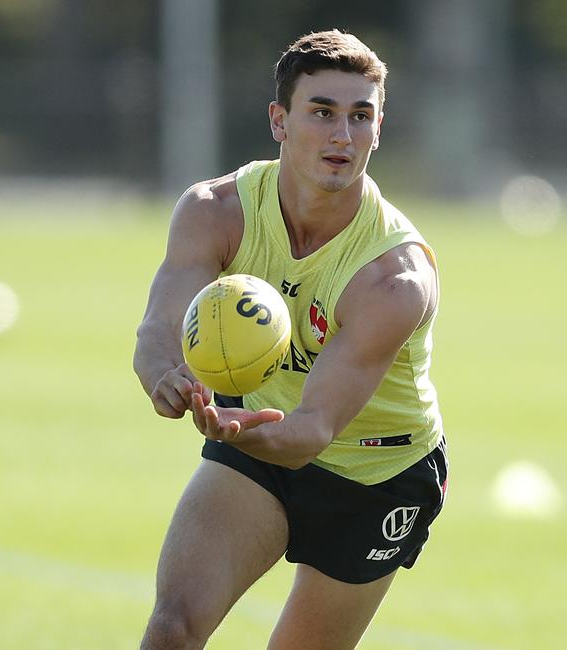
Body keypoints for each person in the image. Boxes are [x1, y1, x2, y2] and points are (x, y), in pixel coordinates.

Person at [134, 29, 448, 650]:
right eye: (322, 113)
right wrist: (165, 377)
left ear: (378, 128)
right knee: (171, 630)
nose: (342, 135)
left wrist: (232, 427)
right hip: (257, 440)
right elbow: (156, 332)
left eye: (361, 116)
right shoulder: (215, 211)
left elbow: (311, 432)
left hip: (377, 474)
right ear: (279, 120)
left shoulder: (393, 277)